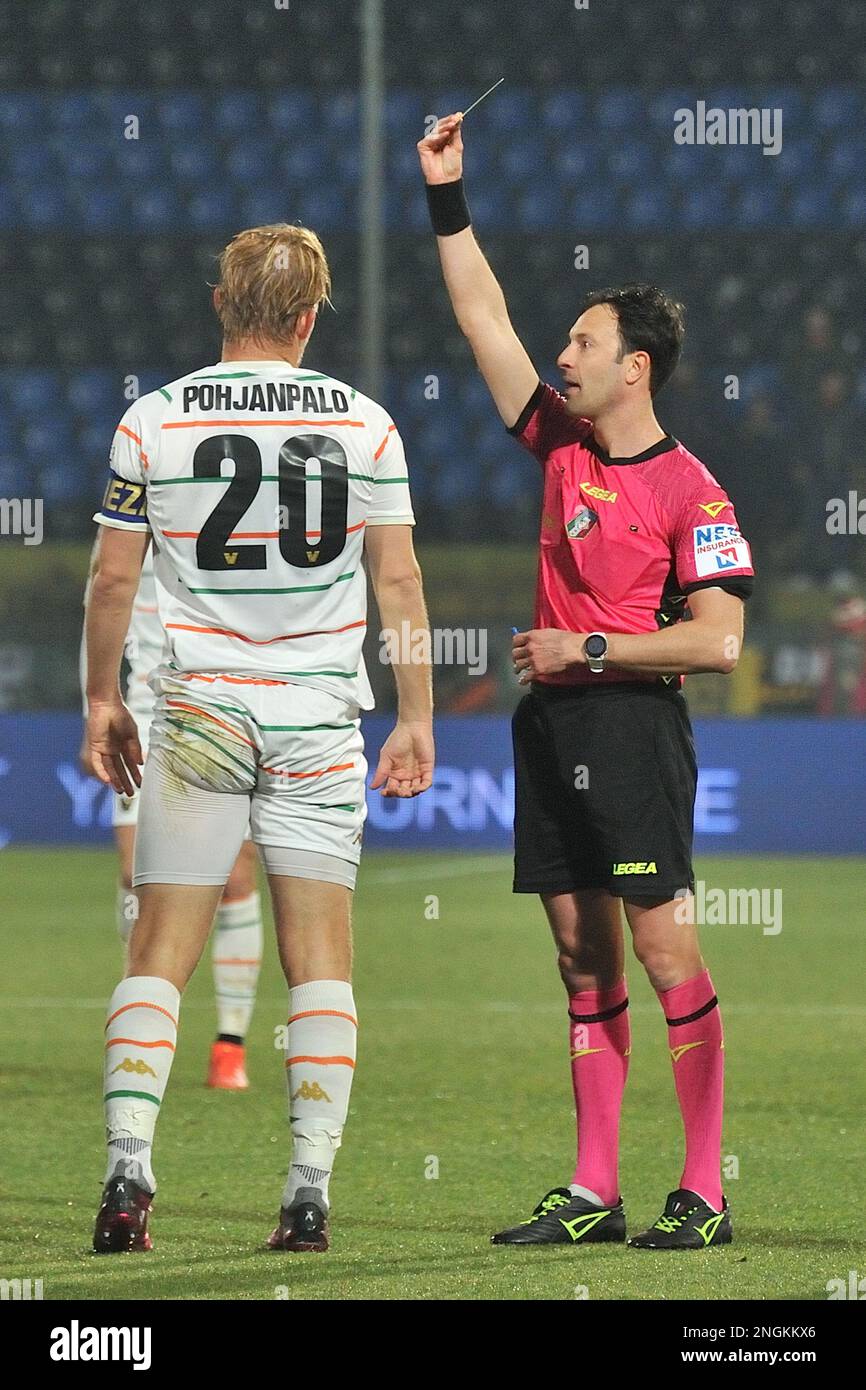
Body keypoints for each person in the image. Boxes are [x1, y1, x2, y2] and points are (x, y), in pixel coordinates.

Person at [417, 115, 754, 1249]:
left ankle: (701, 1190)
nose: (560, 356)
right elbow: (480, 317)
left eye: (581, 341)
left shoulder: (690, 491)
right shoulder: (558, 445)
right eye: (562, 341)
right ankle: (592, 1191)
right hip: (546, 722)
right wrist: (446, 197)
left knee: (666, 953)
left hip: (626, 725)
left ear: (633, 366)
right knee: (579, 956)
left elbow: (717, 642)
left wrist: (590, 649)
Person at [85, 223, 434, 1254]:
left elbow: (112, 579)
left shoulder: (150, 420)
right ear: (308, 316)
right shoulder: (367, 425)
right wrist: (414, 713)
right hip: (318, 718)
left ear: (218, 304)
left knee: (157, 949)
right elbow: (399, 582)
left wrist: (103, 699)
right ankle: (306, 1192)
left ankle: (126, 1172)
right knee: (318, 956)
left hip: (195, 713)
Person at [80, 542, 263, 1090]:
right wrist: (94, 706)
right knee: (135, 872)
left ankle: (230, 1045)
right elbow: (101, 597)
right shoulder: (135, 506)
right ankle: (138, 1027)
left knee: (233, 878)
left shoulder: (242, 510)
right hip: (143, 708)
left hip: (226, 701)